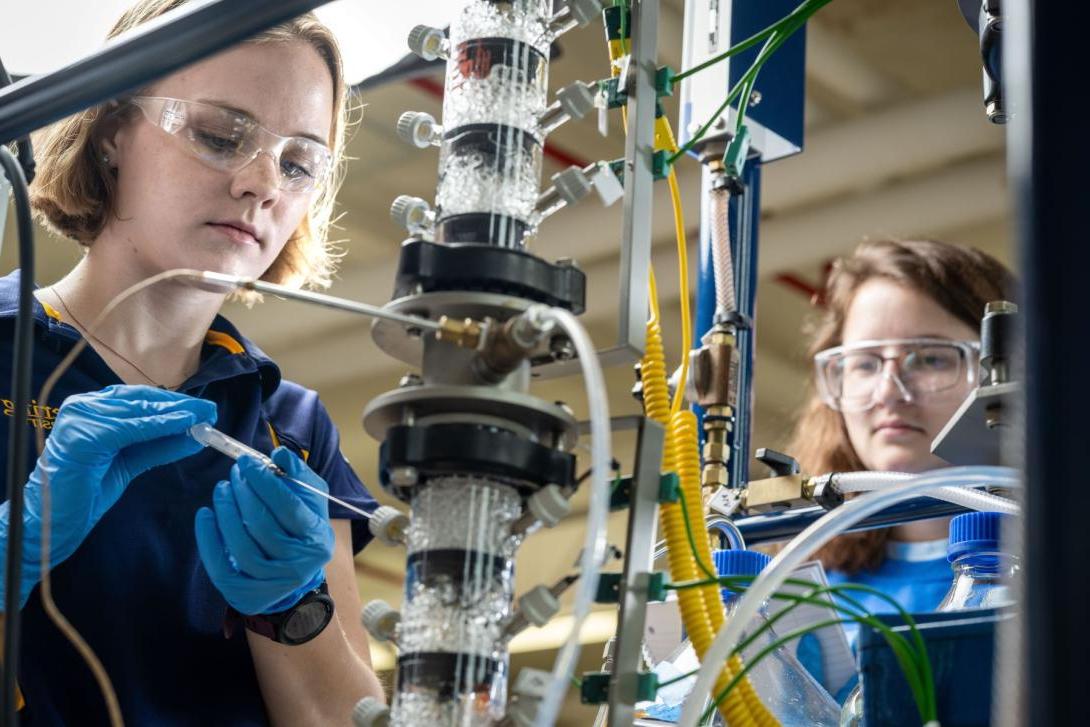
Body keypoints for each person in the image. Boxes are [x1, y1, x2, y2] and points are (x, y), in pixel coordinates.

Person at [0, 1, 386, 723]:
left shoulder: (288, 424)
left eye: (298, 162)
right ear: (112, 131)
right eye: (219, 134)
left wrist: (294, 610)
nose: (262, 183)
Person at [786, 238, 1015, 641]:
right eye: (866, 363)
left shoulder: (1056, 569)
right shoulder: (802, 595)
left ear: (1005, 370)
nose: (888, 392)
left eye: (930, 358)